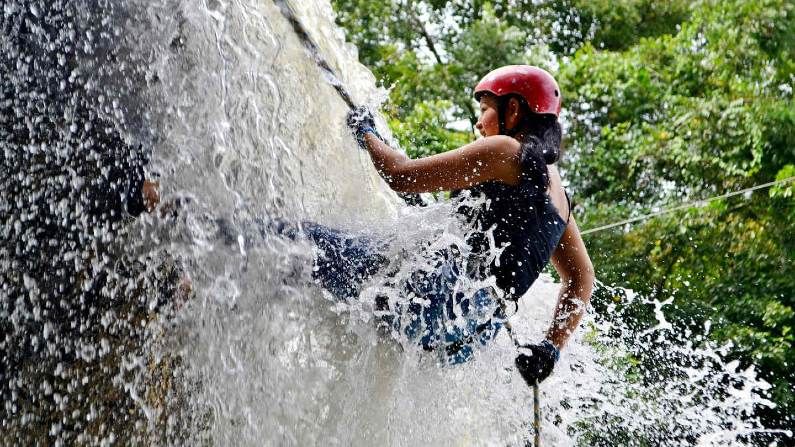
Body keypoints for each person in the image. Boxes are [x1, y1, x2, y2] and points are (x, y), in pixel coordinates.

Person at [340, 65, 595, 385]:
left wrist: (366, 132)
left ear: (512, 110)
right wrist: (550, 350)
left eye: (485, 109)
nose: (478, 122)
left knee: (289, 242)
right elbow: (582, 276)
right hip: (469, 332)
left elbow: (401, 175)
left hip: (436, 294)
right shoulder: (559, 196)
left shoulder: (506, 150)